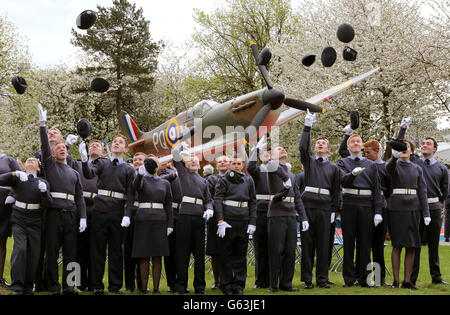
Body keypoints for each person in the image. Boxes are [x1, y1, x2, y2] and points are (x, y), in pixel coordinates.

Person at [38, 104, 87, 295]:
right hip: (53, 214)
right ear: (52, 153)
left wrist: (82, 217)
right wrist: (43, 124)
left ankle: (70, 286)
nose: (61, 149)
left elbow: (80, 197)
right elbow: (44, 144)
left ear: (67, 152)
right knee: (52, 252)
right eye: (57, 148)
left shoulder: (74, 173)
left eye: (63, 148)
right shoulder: (50, 166)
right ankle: (53, 287)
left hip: (71, 215)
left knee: (71, 253)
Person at [79, 134, 135, 294]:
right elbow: (90, 174)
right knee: (97, 249)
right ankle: (97, 285)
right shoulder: (102, 163)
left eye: (120, 142)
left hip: (118, 213)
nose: (116, 143)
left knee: (116, 250)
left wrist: (127, 214)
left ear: (125, 149)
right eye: (114, 142)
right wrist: (84, 161)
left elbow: (131, 195)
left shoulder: (129, 170)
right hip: (100, 211)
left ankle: (115, 285)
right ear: (111, 147)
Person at [397, 119, 449, 286]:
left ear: (435, 149)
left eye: (428, 144)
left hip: (433, 209)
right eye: (423, 143)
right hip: (416, 208)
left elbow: (445, 190)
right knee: (416, 245)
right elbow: (399, 146)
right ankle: (411, 279)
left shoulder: (441, 168)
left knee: (434, 245)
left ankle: (436, 277)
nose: (424, 145)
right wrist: (403, 129)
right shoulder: (415, 162)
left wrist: (436, 203)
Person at [298, 111, 340, 289]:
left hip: (325, 209)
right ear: (314, 148)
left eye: (324, 143)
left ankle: (322, 279)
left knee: (324, 246)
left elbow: (337, 192)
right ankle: (307, 279)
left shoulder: (334, 168)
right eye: (318, 143)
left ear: (329, 150)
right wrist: (307, 126)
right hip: (308, 207)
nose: (320, 144)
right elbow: (302, 148)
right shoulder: (309, 162)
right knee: (307, 245)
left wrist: (334, 210)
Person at [337, 130, 383, 287]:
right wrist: (352, 175)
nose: (356, 143)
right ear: (348, 147)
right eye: (352, 142)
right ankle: (349, 279)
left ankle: (364, 278)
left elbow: (377, 189)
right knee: (348, 242)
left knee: (365, 243)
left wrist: (377, 211)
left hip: (366, 204)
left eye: (358, 141)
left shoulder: (371, 164)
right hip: (349, 203)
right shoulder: (342, 163)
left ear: (362, 146)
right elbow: (343, 181)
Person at [0, 158, 51, 295]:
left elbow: (47, 204)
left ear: (38, 168)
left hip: (35, 220)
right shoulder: (18, 179)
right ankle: (17, 285)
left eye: (34, 161)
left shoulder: (43, 182)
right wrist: (14, 174)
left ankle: (28, 286)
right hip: (18, 218)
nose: (30, 161)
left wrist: (44, 192)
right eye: (28, 160)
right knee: (20, 250)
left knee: (34, 254)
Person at [386, 136, 429, 289]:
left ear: (411, 151)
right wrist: (394, 156)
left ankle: (407, 281)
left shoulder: (418, 168)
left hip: (414, 209)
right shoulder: (393, 165)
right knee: (397, 245)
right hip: (396, 208)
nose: (404, 150)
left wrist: (426, 213)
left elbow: (422, 191)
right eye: (401, 147)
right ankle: (396, 281)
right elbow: (387, 170)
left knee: (412, 246)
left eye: (407, 147)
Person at [171, 142, 214, 294]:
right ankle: (181, 286)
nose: (194, 161)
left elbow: (208, 199)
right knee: (182, 253)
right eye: (190, 160)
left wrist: (209, 209)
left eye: (196, 159)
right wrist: (181, 145)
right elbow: (175, 155)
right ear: (185, 165)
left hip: (199, 219)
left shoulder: (204, 181)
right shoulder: (183, 173)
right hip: (185, 217)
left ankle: (200, 287)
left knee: (199, 254)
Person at [266, 145, 309, 293]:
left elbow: (297, 197)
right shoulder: (272, 168)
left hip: (291, 215)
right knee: (276, 250)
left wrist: (303, 217)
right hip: (277, 214)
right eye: (279, 148)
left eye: (284, 148)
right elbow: (270, 163)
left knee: (290, 251)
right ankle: (273, 285)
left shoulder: (291, 174)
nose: (283, 149)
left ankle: (286, 284)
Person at [214, 154, 257, 295]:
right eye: (234, 163)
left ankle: (238, 285)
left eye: (239, 163)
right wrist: (220, 220)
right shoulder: (223, 179)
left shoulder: (248, 180)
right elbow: (218, 200)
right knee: (226, 254)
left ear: (243, 165)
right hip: (228, 221)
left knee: (240, 254)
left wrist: (252, 222)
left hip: (244, 220)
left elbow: (252, 202)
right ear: (230, 165)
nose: (237, 165)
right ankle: (225, 285)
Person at [132, 156, 173, 294]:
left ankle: (156, 288)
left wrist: (170, 224)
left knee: (157, 255)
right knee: (144, 255)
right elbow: (136, 187)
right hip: (143, 218)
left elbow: (168, 205)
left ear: (158, 166)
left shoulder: (165, 183)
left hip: (160, 219)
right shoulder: (141, 179)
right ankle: (143, 288)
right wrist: (140, 175)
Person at [72, 140, 104, 292]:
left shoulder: (105, 166)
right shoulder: (77, 164)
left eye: (98, 145)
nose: (94, 146)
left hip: (98, 210)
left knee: (95, 249)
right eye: (92, 145)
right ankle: (78, 282)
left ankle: (94, 283)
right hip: (80, 210)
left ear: (103, 152)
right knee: (79, 248)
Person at [363, 139, 390, 286]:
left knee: (378, 246)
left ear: (377, 151)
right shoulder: (364, 165)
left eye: (368, 152)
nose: (366, 155)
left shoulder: (385, 167)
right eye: (364, 152)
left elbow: (389, 188)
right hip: (366, 206)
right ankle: (366, 278)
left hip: (382, 207)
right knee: (365, 244)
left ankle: (380, 278)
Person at [247, 140, 271, 289]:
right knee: (260, 248)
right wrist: (256, 150)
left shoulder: (276, 170)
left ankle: (271, 279)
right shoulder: (257, 171)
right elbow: (250, 166)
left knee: (272, 248)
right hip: (260, 212)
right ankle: (260, 280)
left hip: (274, 212)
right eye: (264, 154)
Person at [205, 155, 230, 290]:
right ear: (216, 165)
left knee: (230, 250)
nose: (222, 163)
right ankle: (217, 281)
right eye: (219, 162)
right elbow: (208, 197)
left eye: (225, 161)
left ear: (230, 164)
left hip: (231, 218)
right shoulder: (211, 179)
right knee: (215, 252)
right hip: (215, 219)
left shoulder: (235, 178)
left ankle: (229, 280)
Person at [123, 152, 146, 293]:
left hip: (144, 215)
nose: (137, 161)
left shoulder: (149, 177)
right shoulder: (129, 175)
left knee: (142, 250)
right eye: (135, 159)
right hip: (130, 214)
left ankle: (141, 283)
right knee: (129, 250)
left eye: (140, 159)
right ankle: (130, 285)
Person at [159, 162, 183, 293]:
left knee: (182, 252)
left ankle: (182, 281)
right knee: (171, 251)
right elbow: (161, 181)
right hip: (172, 214)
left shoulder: (187, 170)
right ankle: (172, 283)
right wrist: (174, 174)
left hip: (185, 213)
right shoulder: (165, 172)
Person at [0, 145, 20, 288]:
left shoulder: (9, 160)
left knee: (1, 241)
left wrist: (12, 195)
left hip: (4, 205)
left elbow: (19, 179)